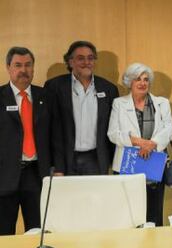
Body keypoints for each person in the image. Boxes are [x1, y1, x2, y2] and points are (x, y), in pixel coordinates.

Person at [108, 63, 172, 226]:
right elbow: (113, 134)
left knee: (154, 215)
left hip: (153, 164)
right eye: (138, 79)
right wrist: (140, 142)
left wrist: (152, 144)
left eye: (146, 79)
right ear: (129, 82)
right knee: (129, 215)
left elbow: (170, 129)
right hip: (127, 165)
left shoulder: (162, 103)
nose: (142, 83)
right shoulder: (119, 103)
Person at [0, 47, 57, 235]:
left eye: (28, 65)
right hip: (5, 176)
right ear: (8, 67)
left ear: (33, 68)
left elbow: (56, 137)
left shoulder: (46, 97)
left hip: (37, 175)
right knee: (4, 234)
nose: (23, 70)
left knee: (37, 232)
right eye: (18, 65)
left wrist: (58, 169)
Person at [44, 41, 119, 175]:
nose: (87, 62)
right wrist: (57, 165)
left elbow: (113, 126)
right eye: (81, 58)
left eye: (90, 58)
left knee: (95, 196)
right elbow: (51, 129)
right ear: (70, 62)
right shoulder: (54, 87)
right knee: (67, 196)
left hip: (96, 160)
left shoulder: (109, 89)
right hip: (65, 159)